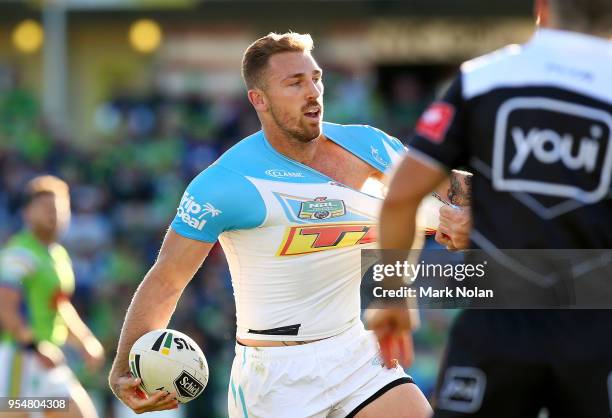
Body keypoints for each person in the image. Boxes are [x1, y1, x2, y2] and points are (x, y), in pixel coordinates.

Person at [107, 32, 469, 417]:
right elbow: (167, 278)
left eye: (316, 78)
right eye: (294, 83)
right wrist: (123, 364)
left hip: (356, 355)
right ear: (258, 99)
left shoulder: (370, 145)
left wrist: (474, 219)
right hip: (275, 379)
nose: (312, 91)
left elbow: (455, 188)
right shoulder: (226, 183)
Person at [379, 0, 612, 416]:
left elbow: (400, 195)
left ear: (541, 8)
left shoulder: (484, 78)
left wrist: (394, 296)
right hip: (598, 331)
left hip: (498, 330)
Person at [0, 175, 104, 418]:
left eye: (59, 209)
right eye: (46, 208)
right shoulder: (20, 253)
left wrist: (85, 341)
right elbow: (5, 306)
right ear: (27, 213)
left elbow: (59, 305)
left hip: (49, 363)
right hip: (20, 359)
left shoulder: (58, 256)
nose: (53, 215)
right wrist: (35, 346)